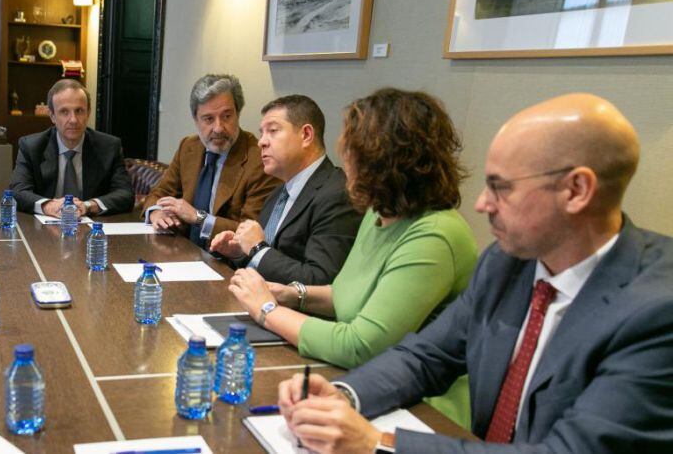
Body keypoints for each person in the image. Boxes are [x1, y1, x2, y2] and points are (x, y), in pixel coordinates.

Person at [276, 93, 673, 453]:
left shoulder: (656, 312)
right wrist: (344, 395)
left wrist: (376, 444)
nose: (482, 204)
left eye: (502, 188)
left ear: (576, 191)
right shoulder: (507, 263)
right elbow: (428, 355)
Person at [230, 89, 478, 427]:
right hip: (363, 381)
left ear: (382, 159)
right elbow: (351, 296)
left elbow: (361, 344)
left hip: (424, 412)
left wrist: (267, 311)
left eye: (351, 151)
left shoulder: (434, 235)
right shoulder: (379, 213)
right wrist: (292, 294)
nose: (343, 160)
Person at [210, 95, 361, 285]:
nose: (261, 142)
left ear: (306, 135)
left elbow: (320, 280)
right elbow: (270, 257)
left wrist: (256, 248)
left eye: (272, 131)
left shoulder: (336, 194)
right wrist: (239, 252)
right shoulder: (278, 193)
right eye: (262, 133)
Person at [142, 74, 282, 249]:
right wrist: (156, 212)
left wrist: (198, 218)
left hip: (227, 262)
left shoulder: (259, 160)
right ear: (196, 120)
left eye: (227, 116)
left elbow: (254, 232)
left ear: (238, 114)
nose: (218, 128)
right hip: (182, 251)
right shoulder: (188, 147)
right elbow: (159, 192)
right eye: (208, 119)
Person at [9, 79, 134, 217]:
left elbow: (125, 194)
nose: (73, 120)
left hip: (91, 229)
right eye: (64, 112)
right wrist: (49, 206)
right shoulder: (32, 147)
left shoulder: (109, 147)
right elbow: (18, 191)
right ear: (52, 116)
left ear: (88, 113)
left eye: (79, 111)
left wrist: (87, 206)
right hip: (44, 229)